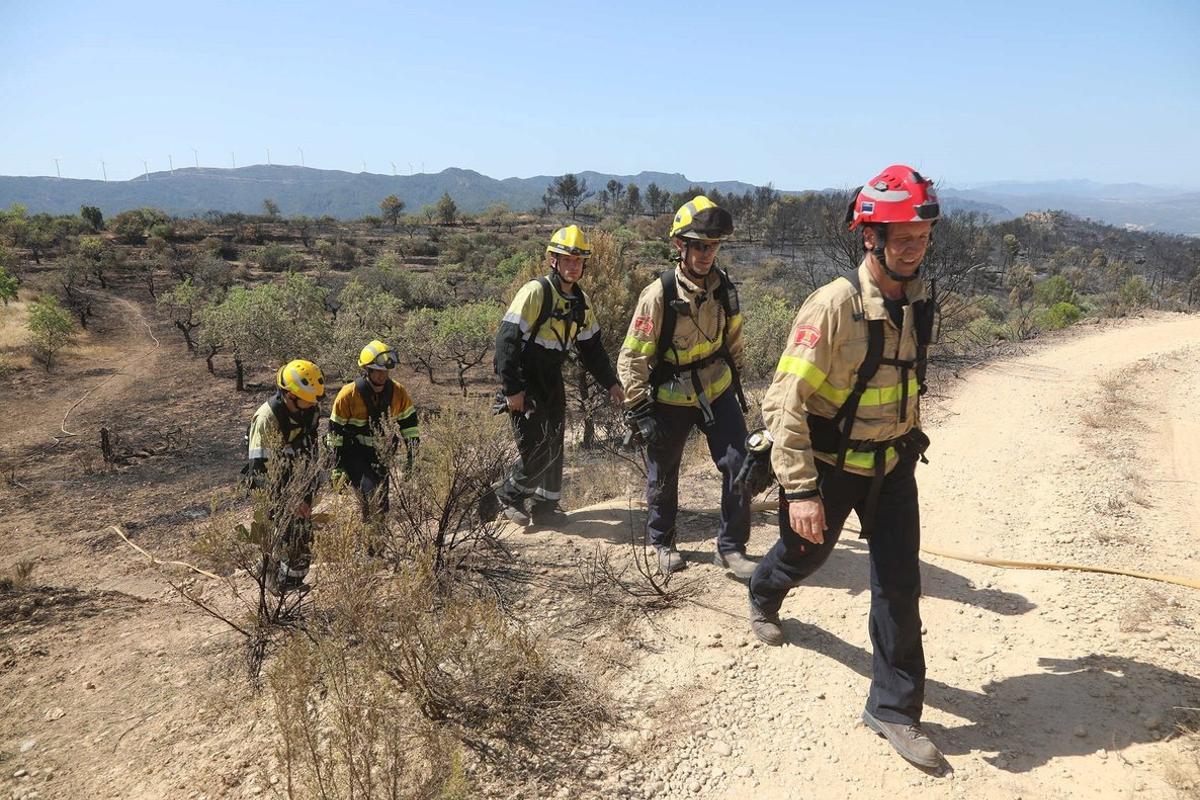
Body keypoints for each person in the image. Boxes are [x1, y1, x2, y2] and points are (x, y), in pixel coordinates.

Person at [749, 164, 942, 768]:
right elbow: (784, 403)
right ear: (871, 237)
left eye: (924, 237)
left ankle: (891, 707)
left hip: (892, 469)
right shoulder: (834, 306)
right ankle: (763, 591)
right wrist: (801, 491)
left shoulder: (918, 299)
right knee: (804, 554)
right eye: (904, 238)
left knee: (899, 585)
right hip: (829, 470)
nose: (915, 250)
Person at [617, 196, 755, 579]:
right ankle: (662, 542)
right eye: (699, 245)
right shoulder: (658, 295)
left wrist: (738, 379)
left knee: (740, 465)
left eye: (712, 246)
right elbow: (633, 356)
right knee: (664, 470)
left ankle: (730, 548)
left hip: (716, 388)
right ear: (681, 246)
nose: (707, 253)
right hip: (671, 397)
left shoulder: (724, 288)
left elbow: (735, 339)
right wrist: (639, 408)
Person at [493, 224, 624, 527]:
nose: (573, 266)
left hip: (552, 378)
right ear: (553, 260)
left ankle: (545, 508)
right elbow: (506, 341)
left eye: (578, 261)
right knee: (535, 448)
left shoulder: (581, 302)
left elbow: (592, 349)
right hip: (526, 379)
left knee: (554, 444)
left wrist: (611, 384)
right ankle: (508, 495)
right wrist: (513, 390)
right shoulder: (536, 292)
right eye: (567, 260)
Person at [244, 358, 325, 595]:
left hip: (298, 473)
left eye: (315, 400)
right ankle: (271, 578)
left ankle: (292, 582)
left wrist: (308, 486)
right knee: (278, 529)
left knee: (302, 531)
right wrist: (288, 498)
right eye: (307, 400)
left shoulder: (310, 409)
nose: (313, 405)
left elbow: (310, 446)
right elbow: (260, 471)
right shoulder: (266, 419)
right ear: (289, 395)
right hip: (270, 479)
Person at [327, 340, 419, 522]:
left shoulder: (398, 392)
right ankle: (370, 535)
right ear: (367, 369)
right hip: (354, 454)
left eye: (385, 370)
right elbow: (334, 432)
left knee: (382, 502)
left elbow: (410, 426)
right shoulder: (348, 394)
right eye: (377, 370)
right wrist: (337, 466)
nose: (382, 375)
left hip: (381, 454)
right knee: (371, 494)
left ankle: (375, 543)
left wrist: (412, 455)